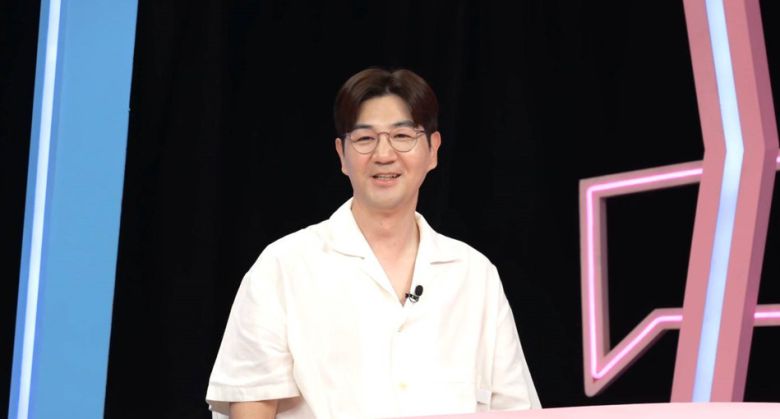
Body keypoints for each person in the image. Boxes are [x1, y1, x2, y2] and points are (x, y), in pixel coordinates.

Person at [206, 68, 541, 419]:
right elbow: (251, 402)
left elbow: (516, 409)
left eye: (402, 136)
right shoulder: (284, 266)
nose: (384, 154)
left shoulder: (475, 275)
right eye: (365, 139)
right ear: (342, 154)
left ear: (433, 150)